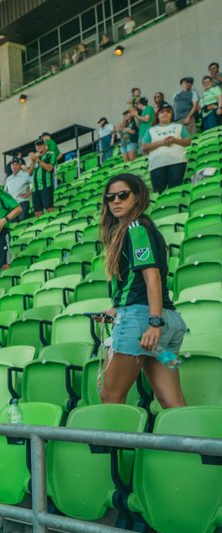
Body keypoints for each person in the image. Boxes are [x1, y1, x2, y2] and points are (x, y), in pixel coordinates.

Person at [97, 173, 187, 409]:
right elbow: (135, 281)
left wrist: (153, 323)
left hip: (144, 326)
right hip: (167, 326)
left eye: (123, 195)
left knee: (110, 396)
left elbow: (152, 276)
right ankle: (197, 446)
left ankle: (114, 448)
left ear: (137, 197)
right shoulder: (144, 227)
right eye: (110, 197)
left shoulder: (136, 227)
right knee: (172, 401)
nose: (116, 201)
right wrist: (116, 307)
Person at [141, 105, 192, 193]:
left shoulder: (179, 126)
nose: (165, 113)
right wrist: (161, 142)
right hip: (156, 164)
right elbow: (144, 146)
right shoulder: (151, 130)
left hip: (177, 162)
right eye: (162, 111)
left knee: (176, 190)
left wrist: (175, 140)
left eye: (168, 111)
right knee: (159, 192)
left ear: (171, 115)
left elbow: (188, 141)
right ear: (157, 115)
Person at [28, 138, 57, 217]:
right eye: (37, 145)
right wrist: (33, 161)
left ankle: (55, 222)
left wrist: (38, 160)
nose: (38, 146)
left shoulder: (50, 154)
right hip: (35, 189)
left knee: (49, 208)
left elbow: (49, 168)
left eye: (40, 144)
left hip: (46, 186)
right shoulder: (35, 158)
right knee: (37, 212)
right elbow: (30, 173)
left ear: (45, 146)